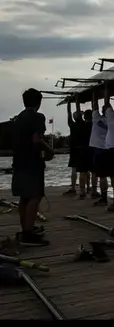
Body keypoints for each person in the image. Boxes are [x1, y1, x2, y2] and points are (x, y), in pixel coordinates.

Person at [11, 88, 53, 247]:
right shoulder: (37, 117)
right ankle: (28, 234)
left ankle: (26, 229)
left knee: (24, 197)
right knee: (35, 196)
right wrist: (49, 149)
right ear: (39, 102)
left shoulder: (18, 118)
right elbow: (36, 139)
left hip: (19, 161)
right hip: (32, 162)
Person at [90, 92, 111, 207]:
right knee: (107, 175)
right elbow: (105, 105)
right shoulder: (112, 121)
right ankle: (108, 196)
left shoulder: (96, 117)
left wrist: (95, 93)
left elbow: (95, 106)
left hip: (99, 149)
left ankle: (104, 198)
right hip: (107, 149)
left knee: (101, 175)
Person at [64, 103, 83, 196]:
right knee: (85, 170)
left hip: (74, 149)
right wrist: (76, 101)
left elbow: (69, 113)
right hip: (82, 148)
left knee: (74, 169)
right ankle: (86, 187)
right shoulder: (82, 125)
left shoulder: (72, 124)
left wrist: (69, 103)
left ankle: (73, 188)